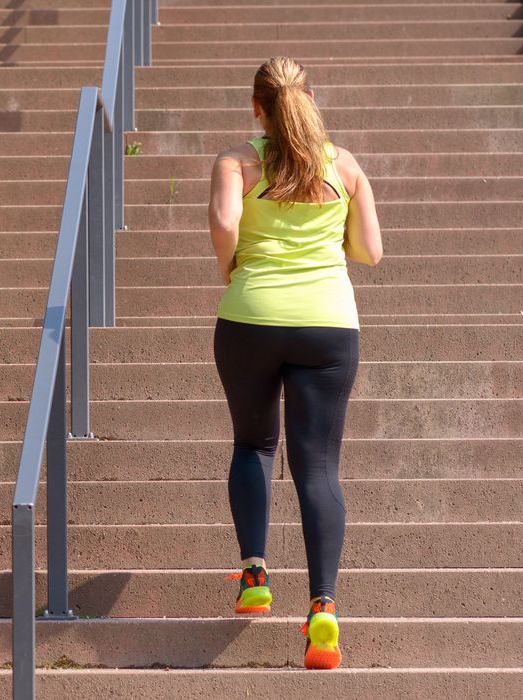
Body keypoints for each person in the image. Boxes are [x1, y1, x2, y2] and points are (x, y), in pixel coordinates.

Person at [207, 56, 383, 671]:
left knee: (253, 443)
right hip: (328, 325)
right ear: (310, 98)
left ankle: (255, 575)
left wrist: (234, 269)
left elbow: (227, 220)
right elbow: (371, 251)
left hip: (250, 316)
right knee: (318, 468)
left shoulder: (237, 161)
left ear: (257, 105)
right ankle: (324, 612)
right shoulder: (345, 165)